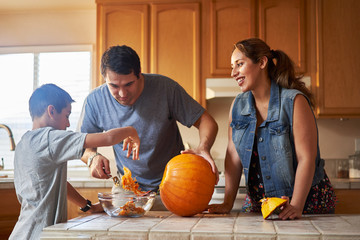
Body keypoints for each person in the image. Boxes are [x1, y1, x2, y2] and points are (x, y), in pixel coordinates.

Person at [208, 38, 336, 219]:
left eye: (239, 64)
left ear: (261, 62)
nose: (233, 73)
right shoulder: (237, 106)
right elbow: (233, 155)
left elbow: (306, 158)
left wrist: (297, 205)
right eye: (232, 66)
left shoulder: (294, 102)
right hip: (261, 205)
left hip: (305, 204)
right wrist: (227, 203)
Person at [79, 45, 219, 193]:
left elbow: (206, 121)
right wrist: (92, 157)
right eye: (113, 86)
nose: (122, 93)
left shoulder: (166, 89)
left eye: (129, 84)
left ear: (139, 74)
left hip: (175, 184)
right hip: (127, 187)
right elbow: (80, 146)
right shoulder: (95, 101)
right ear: (104, 79)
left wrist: (203, 147)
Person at [10, 84, 140, 240]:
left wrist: (87, 206)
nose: (68, 124)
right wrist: (131, 130)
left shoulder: (24, 143)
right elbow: (108, 138)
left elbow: (55, 184)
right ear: (51, 111)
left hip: (22, 232)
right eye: (66, 115)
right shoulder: (50, 138)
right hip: (40, 235)